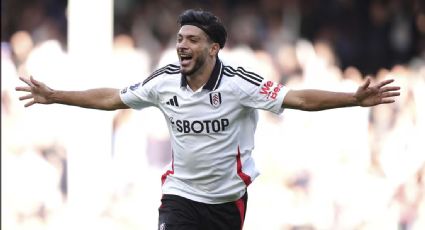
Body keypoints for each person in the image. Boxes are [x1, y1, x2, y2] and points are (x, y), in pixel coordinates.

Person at [16, 9, 400, 230]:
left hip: (226, 205)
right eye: (180, 38)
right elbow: (112, 98)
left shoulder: (240, 84)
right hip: (180, 197)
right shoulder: (164, 81)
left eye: (192, 39)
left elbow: (298, 98)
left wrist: (353, 99)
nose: (182, 44)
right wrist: (56, 96)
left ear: (214, 48)